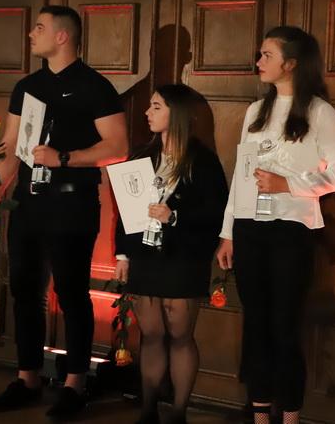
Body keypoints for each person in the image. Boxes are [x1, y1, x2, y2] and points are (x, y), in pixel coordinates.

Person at [0, 5, 128, 418]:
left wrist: (64, 157)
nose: (31, 34)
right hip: (28, 202)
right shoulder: (27, 86)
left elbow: (118, 146)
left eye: (39, 27)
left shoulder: (94, 86)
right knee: (25, 290)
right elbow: (10, 147)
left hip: (71, 202)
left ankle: (75, 384)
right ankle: (28, 378)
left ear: (62, 36)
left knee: (72, 293)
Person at [215, 26, 335, 424]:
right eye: (260, 55)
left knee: (285, 326)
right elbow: (241, 175)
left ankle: (290, 416)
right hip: (249, 228)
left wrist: (289, 184)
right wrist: (228, 232)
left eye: (267, 55)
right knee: (256, 325)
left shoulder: (320, 112)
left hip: (290, 229)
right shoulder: (255, 111)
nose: (258, 62)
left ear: (291, 64)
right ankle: (259, 415)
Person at [113, 84, 228, 424]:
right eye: (150, 106)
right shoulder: (141, 156)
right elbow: (125, 210)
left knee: (180, 336)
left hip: (184, 258)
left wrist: (175, 216)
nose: (147, 113)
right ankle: (148, 409)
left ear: (176, 113)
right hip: (145, 256)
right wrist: (122, 255)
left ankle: (178, 413)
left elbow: (216, 214)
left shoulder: (203, 161)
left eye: (156, 106)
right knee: (150, 336)